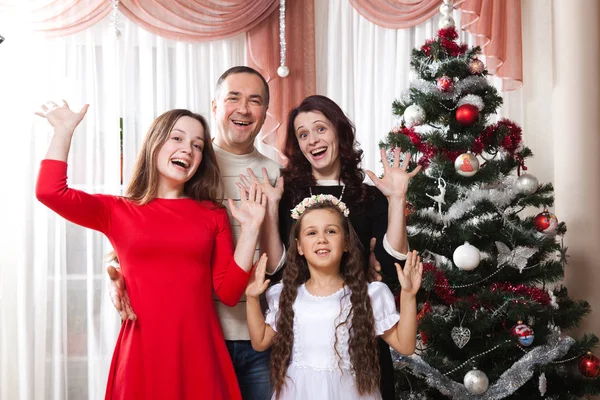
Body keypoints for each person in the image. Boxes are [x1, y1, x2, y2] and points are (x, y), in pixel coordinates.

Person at [35, 101, 266, 399]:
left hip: (200, 354)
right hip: (142, 354)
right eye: (178, 138)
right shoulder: (117, 210)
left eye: (197, 146)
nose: (188, 149)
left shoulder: (213, 214)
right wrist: (64, 131)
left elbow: (229, 292)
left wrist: (250, 231)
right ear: (154, 144)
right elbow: (49, 191)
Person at [107, 66, 282, 399]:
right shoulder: (186, 160)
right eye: (234, 97)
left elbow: (286, 260)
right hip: (195, 337)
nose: (243, 108)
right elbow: (147, 226)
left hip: (259, 333)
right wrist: (117, 272)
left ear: (264, 114)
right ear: (214, 106)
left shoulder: (278, 173)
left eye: (254, 101)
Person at [239, 94, 421, 399]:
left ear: (339, 131)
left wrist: (397, 199)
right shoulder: (286, 194)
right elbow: (278, 268)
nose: (313, 140)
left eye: (320, 129)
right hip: (305, 332)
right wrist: (271, 211)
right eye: (303, 134)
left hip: (359, 330)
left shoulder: (369, 195)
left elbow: (391, 265)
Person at [245, 199, 422, 399]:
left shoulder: (368, 295)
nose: (322, 239)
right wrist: (251, 298)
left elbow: (406, 346)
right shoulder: (287, 295)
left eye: (331, 231)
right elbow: (260, 342)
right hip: (299, 392)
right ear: (300, 246)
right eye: (312, 233)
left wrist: (408, 296)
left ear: (346, 242)